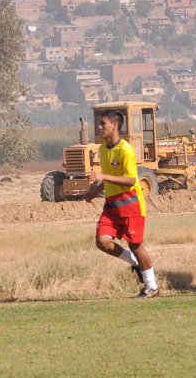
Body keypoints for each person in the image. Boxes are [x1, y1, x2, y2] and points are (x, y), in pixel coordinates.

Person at [84, 110, 159, 299]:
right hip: (111, 205)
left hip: (130, 204)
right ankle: (134, 262)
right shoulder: (103, 149)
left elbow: (129, 180)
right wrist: (95, 190)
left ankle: (151, 286)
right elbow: (108, 176)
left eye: (103, 124)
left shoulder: (125, 149)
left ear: (115, 126)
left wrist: (102, 177)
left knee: (135, 245)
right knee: (102, 242)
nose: (100, 127)